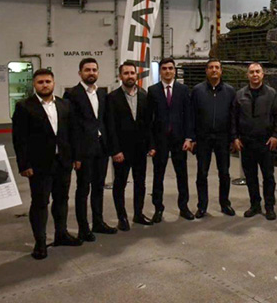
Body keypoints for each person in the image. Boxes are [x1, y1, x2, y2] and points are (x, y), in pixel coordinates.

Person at [12, 69, 83, 259]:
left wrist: (76, 157)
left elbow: (72, 133)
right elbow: (19, 139)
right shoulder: (24, 107)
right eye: (40, 82)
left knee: (62, 200)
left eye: (48, 81)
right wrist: (24, 165)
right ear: (34, 85)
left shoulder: (64, 105)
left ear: (53, 83)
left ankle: (61, 234)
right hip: (39, 166)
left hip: (63, 163)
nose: (45, 85)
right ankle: (40, 242)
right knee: (40, 203)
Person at [64, 58, 117, 241]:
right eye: (87, 70)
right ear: (80, 73)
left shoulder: (102, 94)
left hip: (101, 148)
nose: (91, 73)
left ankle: (98, 222)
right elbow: (71, 127)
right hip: (84, 150)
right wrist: (75, 155)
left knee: (98, 187)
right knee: (83, 189)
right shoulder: (72, 94)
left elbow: (104, 121)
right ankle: (83, 228)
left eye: (94, 70)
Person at [106, 61, 155, 231]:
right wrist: (115, 150)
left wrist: (151, 145)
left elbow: (148, 124)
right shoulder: (112, 98)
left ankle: (138, 214)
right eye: (126, 73)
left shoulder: (144, 95)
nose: (129, 76)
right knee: (120, 184)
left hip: (140, 149)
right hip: (121, 151)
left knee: (140, 183)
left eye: (132, 73)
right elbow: (110, 127)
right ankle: (122, 218)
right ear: (120, 76)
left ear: (136, 75)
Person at [231, 62, 277, 220]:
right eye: (252, 72)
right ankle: (255, 205)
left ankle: (269, 206)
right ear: (247, 75)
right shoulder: (240, 95)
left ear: (262, 74)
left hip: (266, 143)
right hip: (246, 142)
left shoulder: (271, 94)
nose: (255, 74)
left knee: (268, 177)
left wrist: (276, 135)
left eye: (257, 71)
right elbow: (234, 118)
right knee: (251, 177)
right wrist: (235, 137)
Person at [148, 58, 194, 222]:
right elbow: (149, 120)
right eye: (164, 68)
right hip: (160, 141)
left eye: (170, 68)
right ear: (160, 71)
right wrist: (151, 144)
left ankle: (184, 206)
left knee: (182, 175)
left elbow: (188, 116)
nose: (168, 71)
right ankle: (158, 208)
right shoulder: (153, 91)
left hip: (179, 140)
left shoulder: (183, 90)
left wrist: (189, 138)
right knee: (158, 176)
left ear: (175, 71)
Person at [191, 58, 236, 218]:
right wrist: (192, 138)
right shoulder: (197, 90)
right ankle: (202, 206)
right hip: (203, 138)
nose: (214, 70)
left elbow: (233, 116)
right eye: (211, 67)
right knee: (202, 173)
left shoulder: (230, 91)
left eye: (217, 67)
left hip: (223, 138)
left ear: (221, 71)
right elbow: (192, 115)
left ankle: (225, 204)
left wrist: (233, 137)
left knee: (224, 173)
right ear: (206, 71)